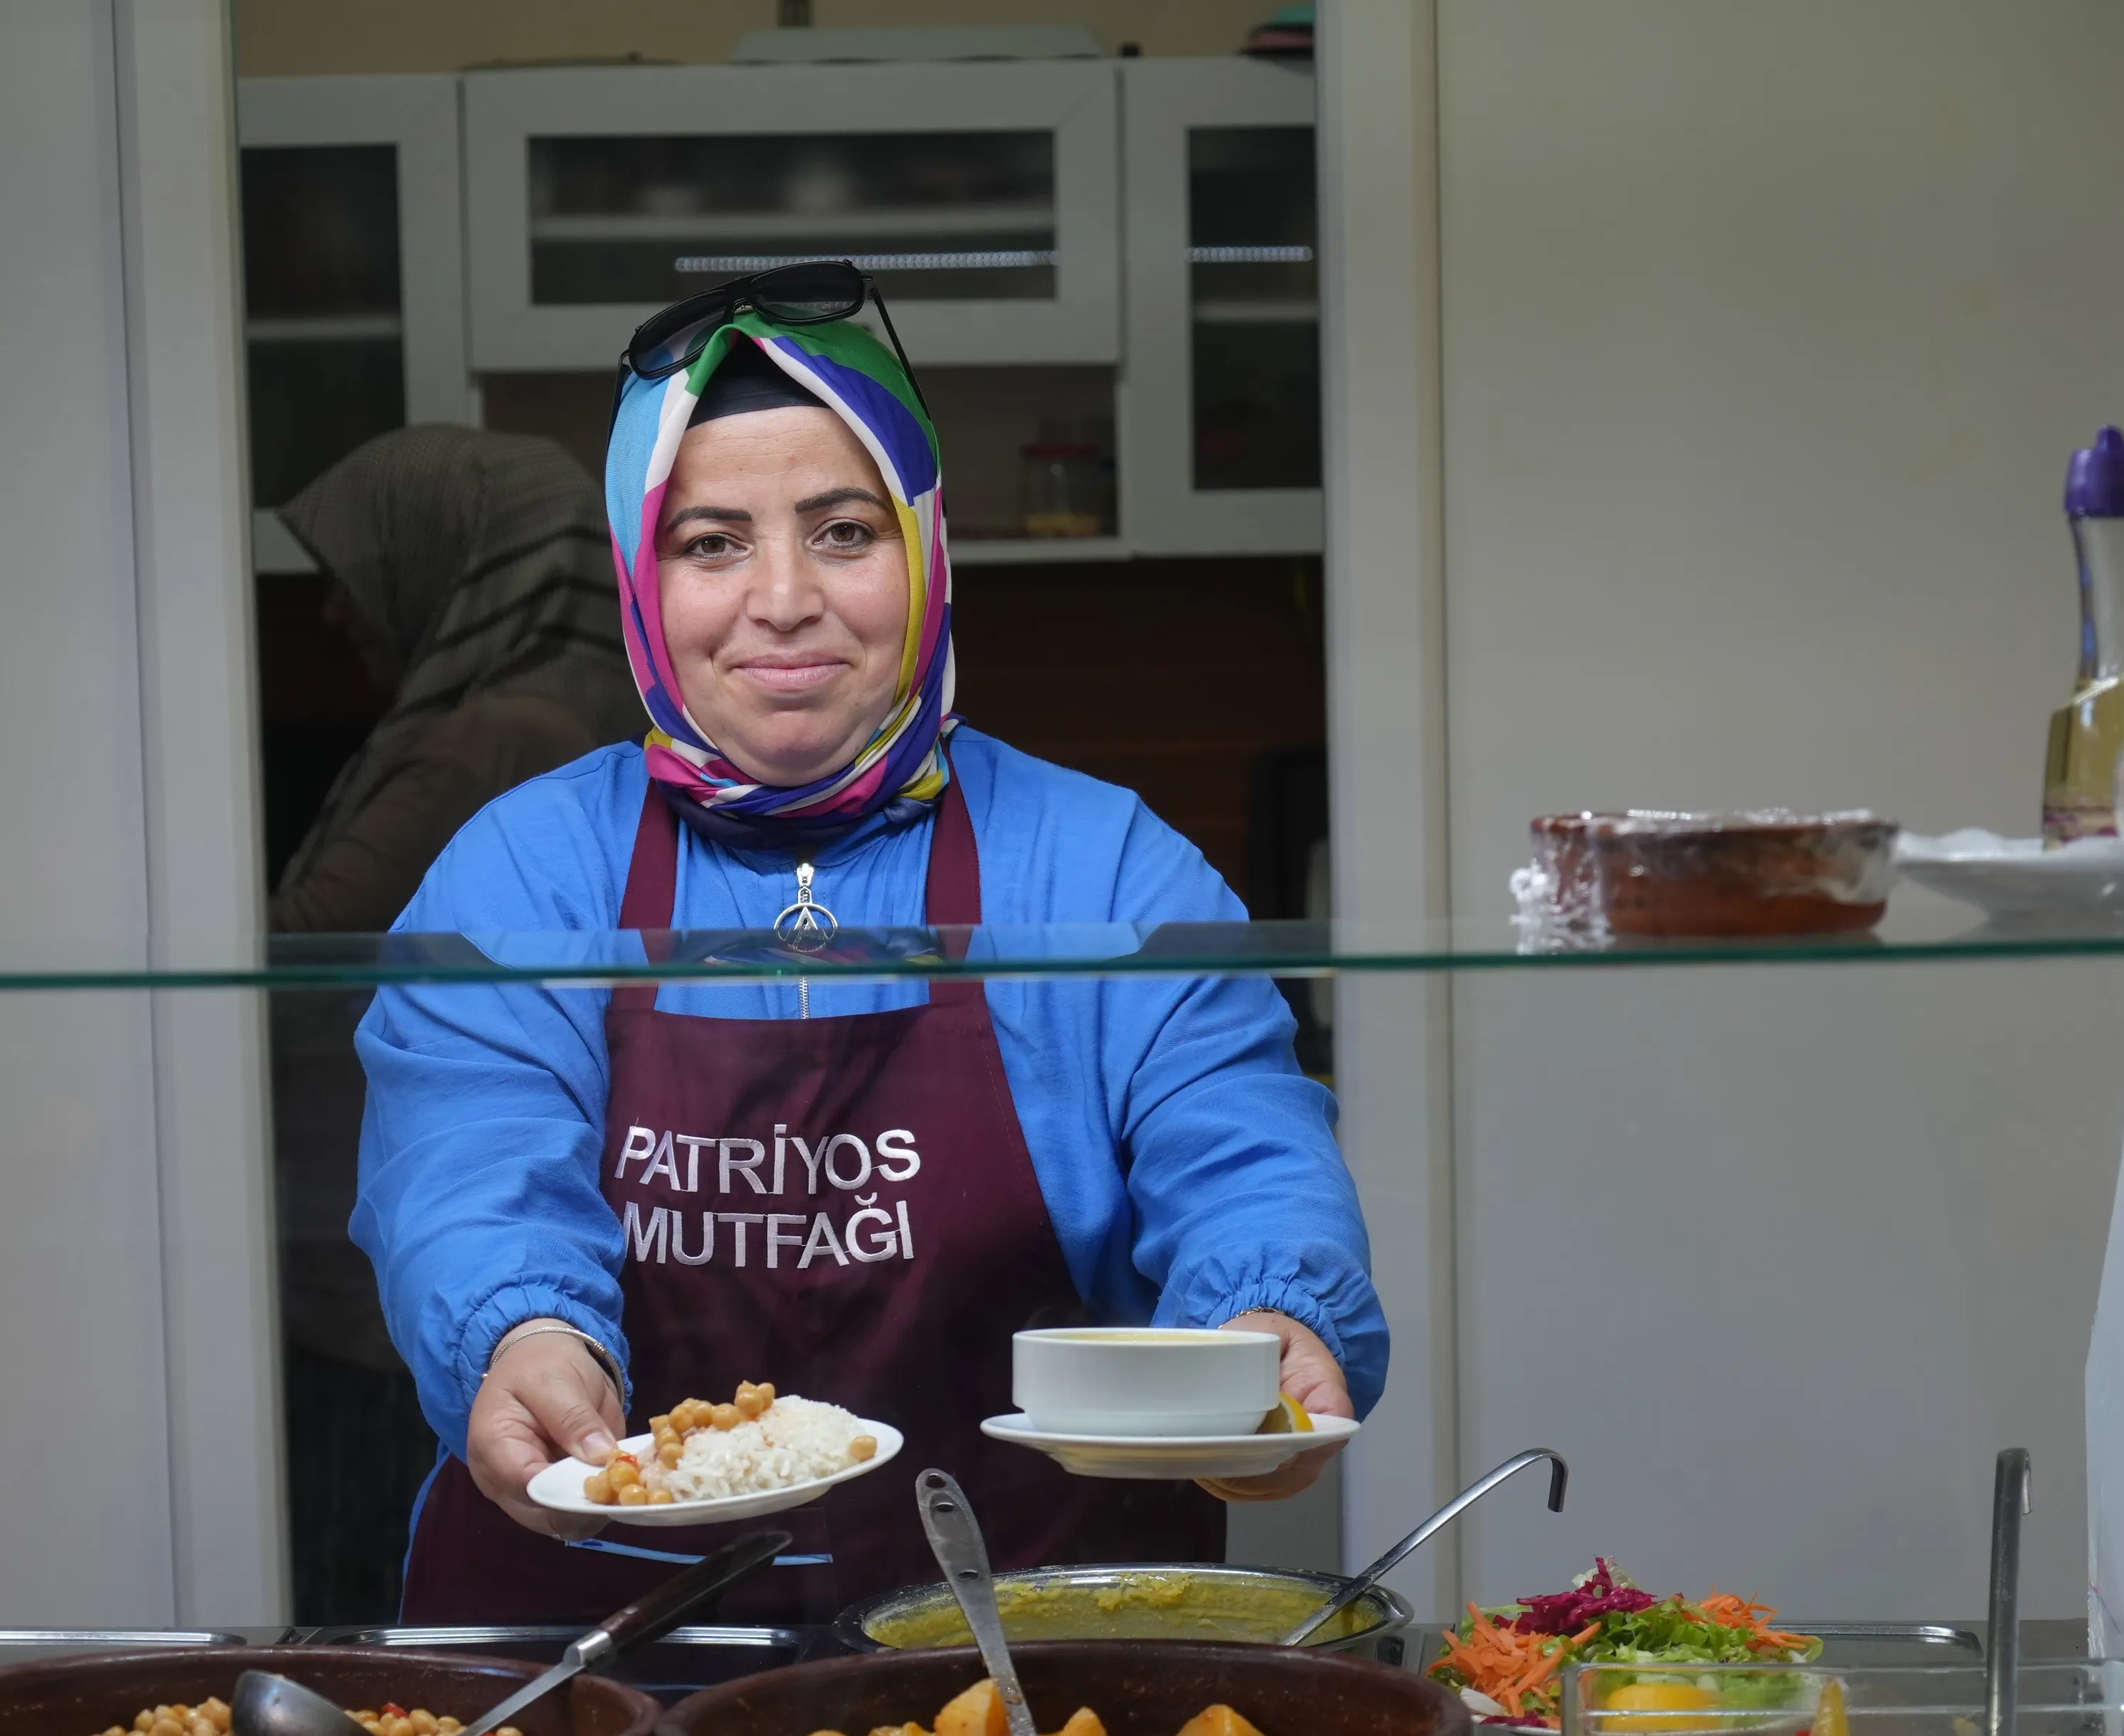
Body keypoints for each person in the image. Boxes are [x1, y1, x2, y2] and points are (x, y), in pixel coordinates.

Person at [351, 264, 1385, 1624]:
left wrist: (1268, 1330)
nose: (782, 598)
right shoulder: (523, 869)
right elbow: (463, 1168)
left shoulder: (1104, 862)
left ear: (928, 548)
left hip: (1038, 1648)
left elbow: (1243, 1143)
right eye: (711, 542)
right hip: (599, 1644)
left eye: (844, 530)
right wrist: (518, 1335)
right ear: (638, 579)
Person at [268, 427, 639, 1621]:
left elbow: (297, 942)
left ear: (459, 565)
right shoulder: (577, 725)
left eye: (354, 572)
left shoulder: (501, 740)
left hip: (392, 1265)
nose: (332, 611)